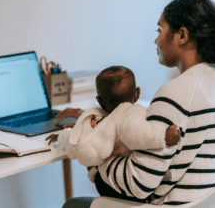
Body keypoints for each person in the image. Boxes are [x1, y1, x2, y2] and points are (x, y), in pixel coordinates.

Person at [62, 0, 215, 207]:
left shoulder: (175, 93)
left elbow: (139, 184)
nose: (155, 39)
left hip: (166, 204)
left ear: (182, 35)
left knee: (73, 204)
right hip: (200, 202)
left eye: (160, 30)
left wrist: (97, 155)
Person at [46, 66, 180, 183]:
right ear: (137, 93)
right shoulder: (131, 114)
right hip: (120, 180)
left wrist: (60, 137)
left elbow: (73, 142)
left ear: (99, 101)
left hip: (107, 182)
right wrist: (164, 135)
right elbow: (140, 133)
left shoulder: (102, 122)